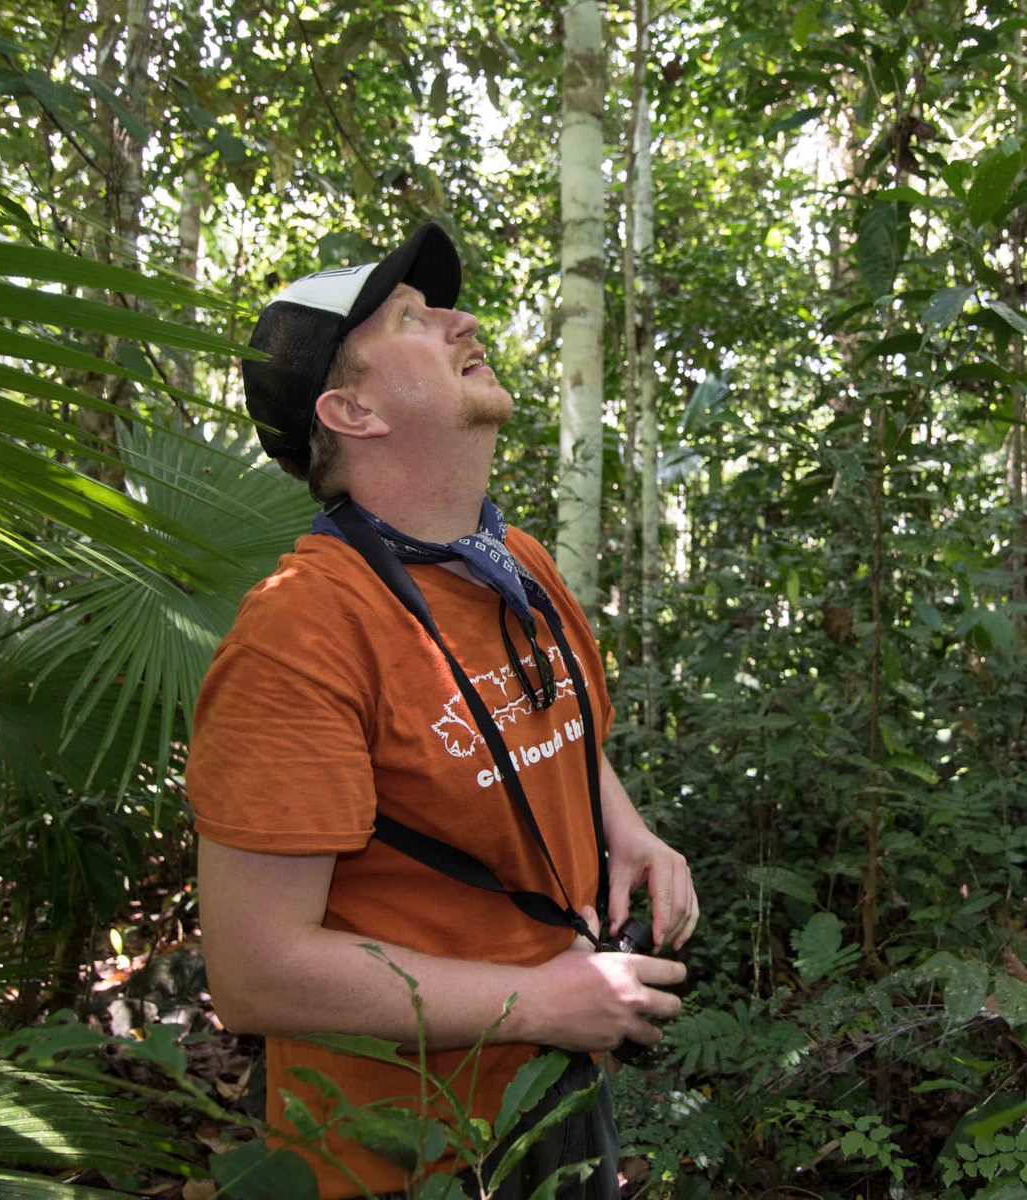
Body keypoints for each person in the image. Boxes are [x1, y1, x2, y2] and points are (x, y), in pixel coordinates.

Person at [186, 222, 698, 1200]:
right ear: (352, 409)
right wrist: (539, 1001)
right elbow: (255, 971)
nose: (462, 318)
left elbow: (559, 733)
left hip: (556, 1072)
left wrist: (628, 833)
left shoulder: (519, 566)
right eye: (415, 319)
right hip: (397, 1139)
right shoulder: (299, 637)